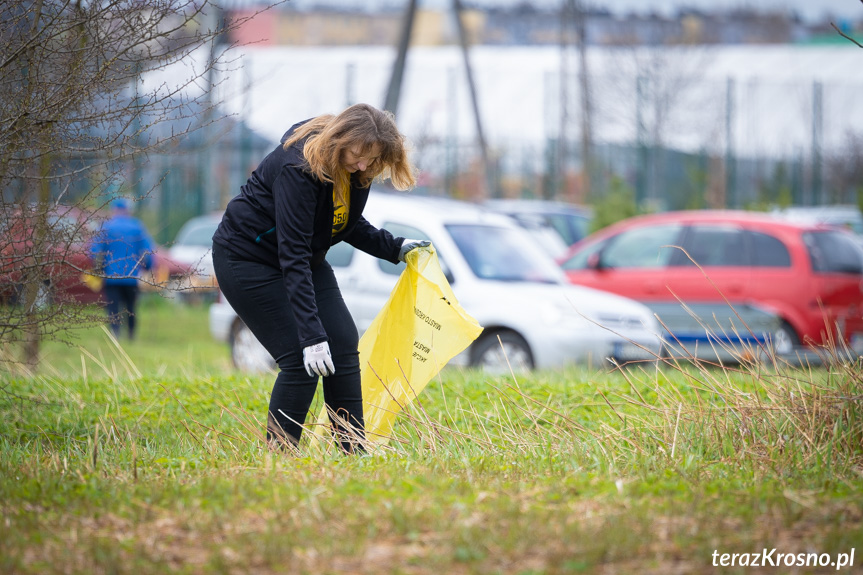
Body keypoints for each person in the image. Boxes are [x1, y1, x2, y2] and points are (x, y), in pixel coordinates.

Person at [212, 103, 428, 453]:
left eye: (371, 161)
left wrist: (395, 247)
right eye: (357, 156)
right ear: (341, 139)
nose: (362, 166)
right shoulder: (298, 166)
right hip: (247, 259)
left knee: (343, 343)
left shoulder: (360, 167)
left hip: (303, 258)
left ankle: (352, 452)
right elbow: (292, 251)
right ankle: (279, 458)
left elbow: (343, 222)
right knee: (301, 359)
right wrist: (311, 335)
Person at [90, 198, 155, 339]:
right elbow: (148, 251)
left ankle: (115, 334)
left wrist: (98, 269)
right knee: (131, 307)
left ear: (114, 210)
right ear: (127, 210)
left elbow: (95, 251)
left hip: (111, 277)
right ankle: (131, 334)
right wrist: (147, 268)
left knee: (113, 307)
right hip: (131, 277)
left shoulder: (106, 227)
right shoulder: (137, 227)